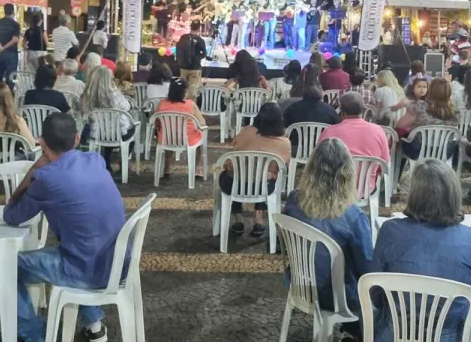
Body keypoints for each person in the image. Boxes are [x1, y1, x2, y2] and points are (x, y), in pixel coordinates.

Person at [4, 113, 124, 342]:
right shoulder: (95, 159)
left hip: (84, 270)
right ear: (77, 138)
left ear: (42, 142)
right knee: (79, 243)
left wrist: (35, 167)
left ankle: (33, 335)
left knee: (5, 267)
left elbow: (11, 215)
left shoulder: (46, 178)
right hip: (118, 263)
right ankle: (94, 324)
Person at [370, 159, 471, 342]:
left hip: (394, 332)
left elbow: (375, 292)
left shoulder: (390, 231)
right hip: (449, 335)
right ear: (454, 194)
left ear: (414, 194)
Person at [283, 139, 373, 335]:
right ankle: (357, 330)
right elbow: (367, 268)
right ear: (348, 173)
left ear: (311, 169)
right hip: (338, 296)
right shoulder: (354, 217)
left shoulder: (294, 200)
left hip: (299, 283)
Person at [221, 102, 290, 237]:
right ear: (280, 120)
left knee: (234, 175)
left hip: (233, 185)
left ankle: (238, 220)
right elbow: (284, 166)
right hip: (263, 187)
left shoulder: (247, 131)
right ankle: (259, 219)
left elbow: (233, 146)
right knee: (264, 177)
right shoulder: (284, 143)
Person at [319, 92, 391, 192]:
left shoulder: (329, 131)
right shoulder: (378, 131)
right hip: (366, 189)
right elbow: (385, 163)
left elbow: (318, 162)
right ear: (363, 109)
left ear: (341, 111)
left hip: (335, 189)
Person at [81, 65, 135, 169]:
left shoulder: (87, 95)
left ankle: (106, 163)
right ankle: (123, 161)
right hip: (119, 133)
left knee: (106, 133)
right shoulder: (114, 94)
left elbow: (84, 113)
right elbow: (126, 106)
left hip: (97, 133)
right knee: (132, 129)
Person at [396, 78, 458, 161]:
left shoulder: (419, 106)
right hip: (446, 151)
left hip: (419, 151)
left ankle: (398, 168)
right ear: (449, 93)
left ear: (430, 91)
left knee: (402, 137)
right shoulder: (455, 111)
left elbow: (400, 125)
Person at [156, 78, 206, 178]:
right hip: (187, 140)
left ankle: (167, 167)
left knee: (169, 133)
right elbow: (202, 123)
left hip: (166, 139)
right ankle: (197, 167)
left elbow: (157, 122)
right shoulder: (190, 104)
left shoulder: (161, 104)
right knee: (201, 135)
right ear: (185, 91)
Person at [0, 3, 22, 86]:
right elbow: (15, 40)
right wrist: (3, 48)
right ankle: (9, 92)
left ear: (4, 11)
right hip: (11, 53)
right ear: (13, 12)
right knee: (11, 76)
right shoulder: (15, 25)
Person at [177, 20, 208, 100]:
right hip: (195, 68)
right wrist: (197, 58)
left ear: (190, 27)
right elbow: (204, 54)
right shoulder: (201, 40)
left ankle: (183, 104)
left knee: (183, 89)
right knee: (193, 91)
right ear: (199, 28)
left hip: (183, 67)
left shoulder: (183, 37)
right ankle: (191, 106)